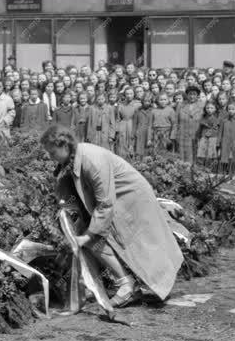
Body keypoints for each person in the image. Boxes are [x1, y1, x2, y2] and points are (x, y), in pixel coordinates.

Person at [41, 127, 183, 308]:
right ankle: (124, 283)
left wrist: (88, 235)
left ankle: (126, 286)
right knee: (103, 242)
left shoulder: (92, 160)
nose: (50, 156)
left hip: (131, 200)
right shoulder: (73, 157)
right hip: (115, 200)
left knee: (137, 244)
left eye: (52, 152)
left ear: (63, 145)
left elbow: (105, 204)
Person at [176, 84, 203, 163]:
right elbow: (175, 122)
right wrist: (174, 135)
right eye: (190, 94)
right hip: (182, 136)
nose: (192, 96)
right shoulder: (181, 105)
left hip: (196, 136)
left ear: (197, 95)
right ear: (187, 95)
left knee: (195, 158)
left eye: (194, 94)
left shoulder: (202, 106)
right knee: (182, 159)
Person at [132, 92, 154, 158]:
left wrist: (149, 137)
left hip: (149, 132)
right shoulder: (138, 110)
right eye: (145, 101)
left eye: (148, 101)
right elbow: (135, 123)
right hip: (140, 132)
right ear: (142, 101)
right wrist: (133, 133)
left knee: (148, 150)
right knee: (138, 150)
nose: (147, 103)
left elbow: (151, 125)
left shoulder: (152, 111)